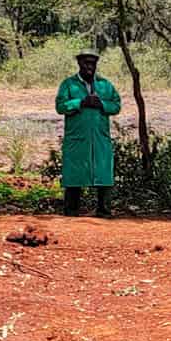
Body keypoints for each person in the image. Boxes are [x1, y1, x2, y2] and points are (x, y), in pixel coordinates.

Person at [55, 51, 121, 217]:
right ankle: (71, 210)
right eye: (86, 63)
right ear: (79, 64)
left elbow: (116, 105)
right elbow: (60, 106)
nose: (90, 67)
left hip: (100, 137)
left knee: (104, 171)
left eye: (93, 63)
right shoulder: (69, 84)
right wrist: (80, 102)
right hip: (77, 137)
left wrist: (101, 104)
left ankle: (104, 211)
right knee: (74, 173)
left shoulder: (105, 85)